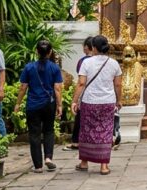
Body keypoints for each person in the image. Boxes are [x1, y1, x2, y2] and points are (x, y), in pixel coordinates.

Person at [72, 35, 122, 175]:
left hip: (90, 101)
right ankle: (104, 165)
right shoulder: (114, 63)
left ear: (93, 47)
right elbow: (118, 84)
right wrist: (119, 100)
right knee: (106, 132)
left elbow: (81, 83)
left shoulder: (86, 63)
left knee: (86, 132)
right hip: (107, 101)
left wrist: (74, 101)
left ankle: (84, 162)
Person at [13, 40, 63, 173]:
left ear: (36, 51)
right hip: (49, 104)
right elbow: (57, 88)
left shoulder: (29, 67)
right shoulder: (54, 68)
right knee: (49, 130)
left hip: (33, 105)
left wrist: (17, 103)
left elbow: (23, 87)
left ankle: (38, 166)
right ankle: (48, 158)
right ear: (50, 52)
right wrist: (59, 105)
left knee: (34, 134)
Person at [63, 37, 95, 152]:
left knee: (80, 118)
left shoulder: (83, 61)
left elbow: (81, 81)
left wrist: (74, 100)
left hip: (86, 93)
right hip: (100, 95)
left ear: (87, 47)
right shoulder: (104, 61)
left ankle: (76, 142)